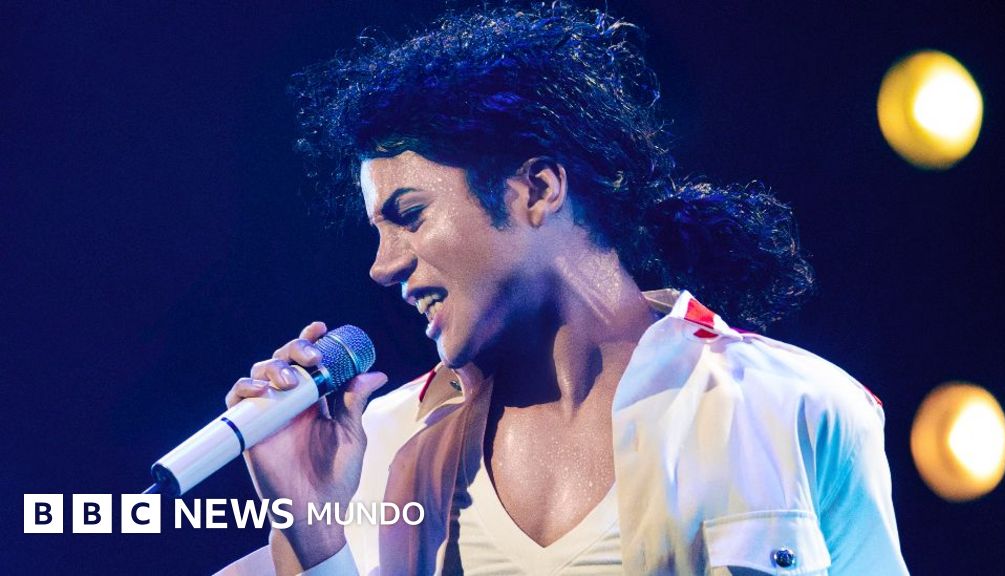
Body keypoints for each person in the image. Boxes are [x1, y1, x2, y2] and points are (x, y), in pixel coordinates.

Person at [220, 3, 908, 575]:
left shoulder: (797, 409)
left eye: (410, 215)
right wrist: (314, 534)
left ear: (538, 189)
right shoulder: (378, 449)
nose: (382, 266)